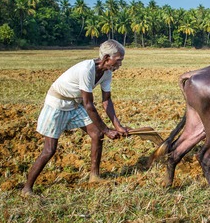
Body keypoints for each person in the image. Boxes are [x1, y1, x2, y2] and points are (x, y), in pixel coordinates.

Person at [22, 39, 129, 196]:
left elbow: (106, 101)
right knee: (49, 149)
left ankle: (94, 176)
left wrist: (118, 126)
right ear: (106, 58)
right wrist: (107, 130)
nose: (120, 64)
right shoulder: (87, 69)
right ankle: (27, 188)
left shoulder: (107, 72)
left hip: (73, 104)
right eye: (118, 60)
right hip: (57, 104)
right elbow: (89, 105)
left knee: (96, 134)